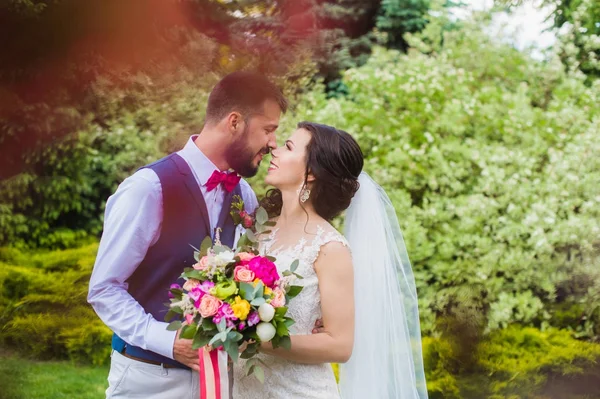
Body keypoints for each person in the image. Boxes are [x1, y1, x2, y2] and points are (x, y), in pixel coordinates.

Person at [87, 71, 287, 398]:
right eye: (268, 130)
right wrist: (169, 343)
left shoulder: (245, 195)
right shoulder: (148, 189)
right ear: (234, 122)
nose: (273, 143)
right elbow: (104, 289)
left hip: (222, 380)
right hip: (149, 379)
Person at [233, 122, 429, 398]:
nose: (275, 149)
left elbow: (340, 346)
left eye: (289, 147)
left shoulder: (328, 247)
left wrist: (257, 340)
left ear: (311, 172)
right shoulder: (259, 229)